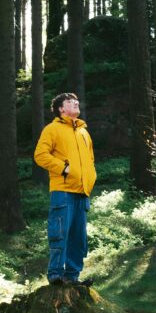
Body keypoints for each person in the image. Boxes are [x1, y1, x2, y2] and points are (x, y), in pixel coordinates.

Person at [33, 92, 96, 287]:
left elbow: (91, 159)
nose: (76, 103)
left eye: (77, 101)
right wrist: (64, 168)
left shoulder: (84, 132)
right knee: (60, 233)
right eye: (71, 102)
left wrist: (91, 177)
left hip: (82, 192)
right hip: (63, 191)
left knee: (78, 237)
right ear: (61, 109)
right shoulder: (52, 129)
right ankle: (55, 275)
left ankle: (72, 276)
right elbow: (40, 155)